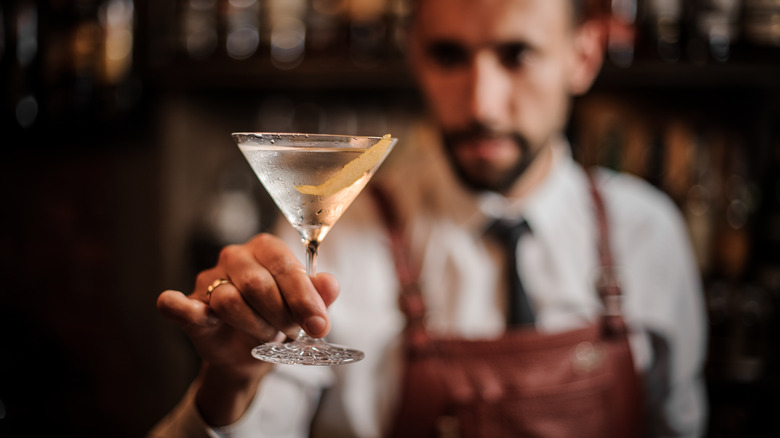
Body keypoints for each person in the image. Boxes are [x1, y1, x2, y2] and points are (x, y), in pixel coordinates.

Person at [150, 0, 708, 436]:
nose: (483, 104)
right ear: (416, 55)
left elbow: (680, 424)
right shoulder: (341, 229)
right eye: (449, 55)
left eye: (517, 55)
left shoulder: (649, 231)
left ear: (583, 56)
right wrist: (231, 381)